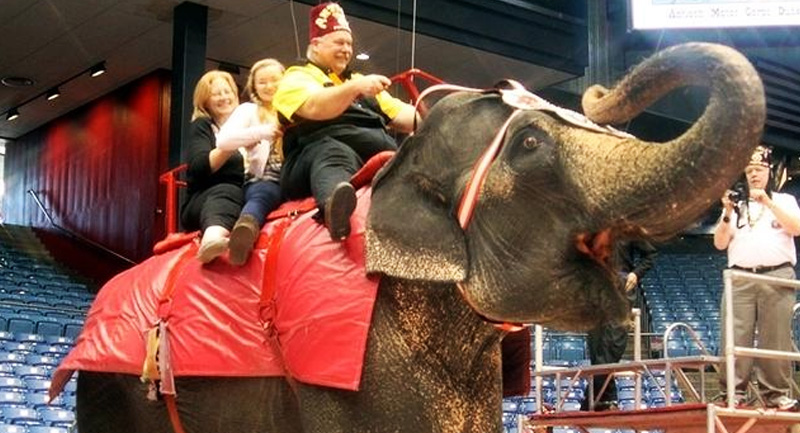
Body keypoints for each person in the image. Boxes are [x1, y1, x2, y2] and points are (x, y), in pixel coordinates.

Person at [273, 2, 418, 241]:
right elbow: (315, 106)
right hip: (311, 160)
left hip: (372, 155)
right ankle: (334, 206)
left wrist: (447, 116)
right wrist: (355, 88)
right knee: (333, 151)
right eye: (339, 43)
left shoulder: (361, 80)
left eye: (349, 44)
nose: (346, 49)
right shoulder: (296, 77)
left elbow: (403, 115)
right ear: (316, 45)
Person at [713, 145, 800, 411]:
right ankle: (732, 392)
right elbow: (719, 243)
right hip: (740, 277)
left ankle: (776, 394)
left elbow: (796, 228)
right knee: (735, 337)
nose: (754, 175)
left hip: (777, 276)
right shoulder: (735, 205)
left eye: (759, 170)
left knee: (775, 337)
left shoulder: (784, 200)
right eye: (749, 170)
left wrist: (768, 202)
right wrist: (727, 211)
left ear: (769, 172)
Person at [216, 59, 286, 265]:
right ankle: (246, 228)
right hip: (265, 178)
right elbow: (223, 140)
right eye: (262, 82)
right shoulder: (248, 110)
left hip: (294, 173)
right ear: (254, 86)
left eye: (275, 80)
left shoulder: (299, 107)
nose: (269, 86)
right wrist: (263, 132)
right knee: (264, 192)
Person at [180, 70, 244, 263]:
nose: (224, 97)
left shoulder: (249, 124)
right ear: (205, 101)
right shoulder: (203, 126)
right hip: (205, 199)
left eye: (228, 91)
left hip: (245, 193)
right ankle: (212, 240)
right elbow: (198, 167)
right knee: (228, 190)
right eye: (217, 94)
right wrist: (230, 144)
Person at [584, 240, 656, 411]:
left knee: (614, 345)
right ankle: (606, 399)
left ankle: (592, 400)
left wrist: (636, 274)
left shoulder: (628, 227)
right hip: (595, 287)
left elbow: (650, 254)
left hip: (620, 286)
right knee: (596, 347)